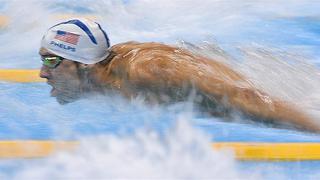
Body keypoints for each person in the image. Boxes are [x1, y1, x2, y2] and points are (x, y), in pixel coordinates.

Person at [39, 18, 320, 132]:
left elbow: (244, 96)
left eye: (51, 61)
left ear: (83, 64)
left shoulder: (146, 70)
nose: (42, 73)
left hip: (294, 102)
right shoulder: (100, 74)